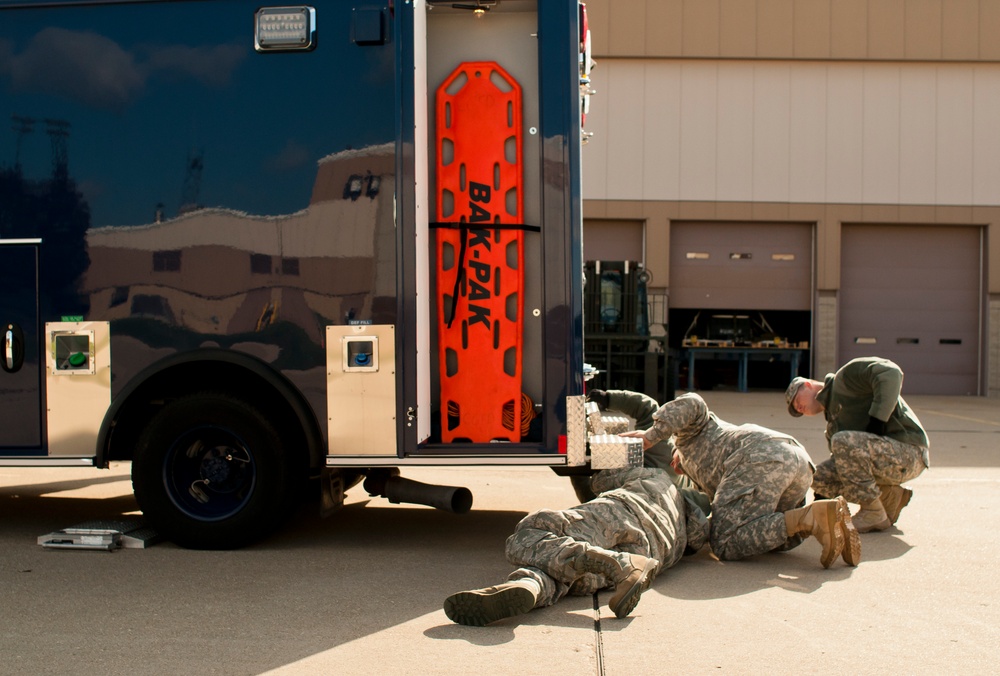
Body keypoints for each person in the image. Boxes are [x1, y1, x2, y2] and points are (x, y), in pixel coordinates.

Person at [443, 465, 711, 626]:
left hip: (621, 515)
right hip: (651, 553)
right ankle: (528, 586)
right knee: (566, 571)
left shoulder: (660, 479)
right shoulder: (686, 538)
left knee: (529, 534)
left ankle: (621, 565)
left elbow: (601, 481)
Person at [620, 392, 860, 569]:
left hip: (760, 458)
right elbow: (723, 504)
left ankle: (812, 518)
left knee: (724, 543)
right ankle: (828, 519)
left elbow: (692, 402)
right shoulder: (704, 470)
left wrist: (651, 436)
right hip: (797, 461)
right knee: (773, 540)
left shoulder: (693, 431)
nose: (676, 465)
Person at [785, 356, 930, 533]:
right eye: (795, 409)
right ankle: (889, 497)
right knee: (815, 476)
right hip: (888, 460)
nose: (797, 407)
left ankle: (872, 512)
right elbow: (846, 465)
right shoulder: (833, 425)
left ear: (807, 385)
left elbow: (891, 372)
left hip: (909, 451)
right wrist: (823, 495)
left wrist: (878, 419)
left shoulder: (846, 377)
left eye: (796, 400)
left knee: (842, 441)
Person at [571, 388, 692, 503]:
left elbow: (593, 501)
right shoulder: (661, 450)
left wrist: (577, 472)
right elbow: (648, 408)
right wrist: (609, 398)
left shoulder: (653, 498)